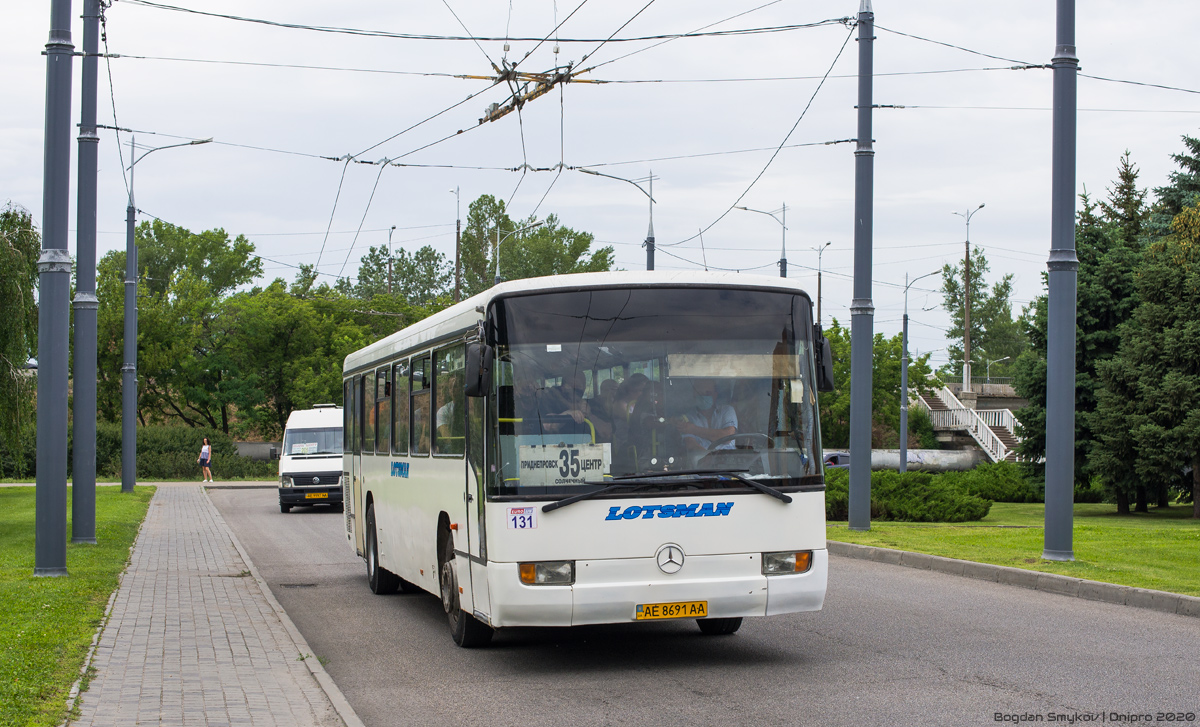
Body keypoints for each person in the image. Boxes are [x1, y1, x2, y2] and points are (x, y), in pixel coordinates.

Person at [674, 379, 738, 453]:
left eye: (708, 393)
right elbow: (690, 444)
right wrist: (708, 458)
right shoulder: (687, 418)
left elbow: (728, 437)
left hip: (730, 462)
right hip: (700, 462)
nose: (703, 397)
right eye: (700, 393)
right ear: (694, 395)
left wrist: (694, 429)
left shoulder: (727, 411)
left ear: (715, 395)